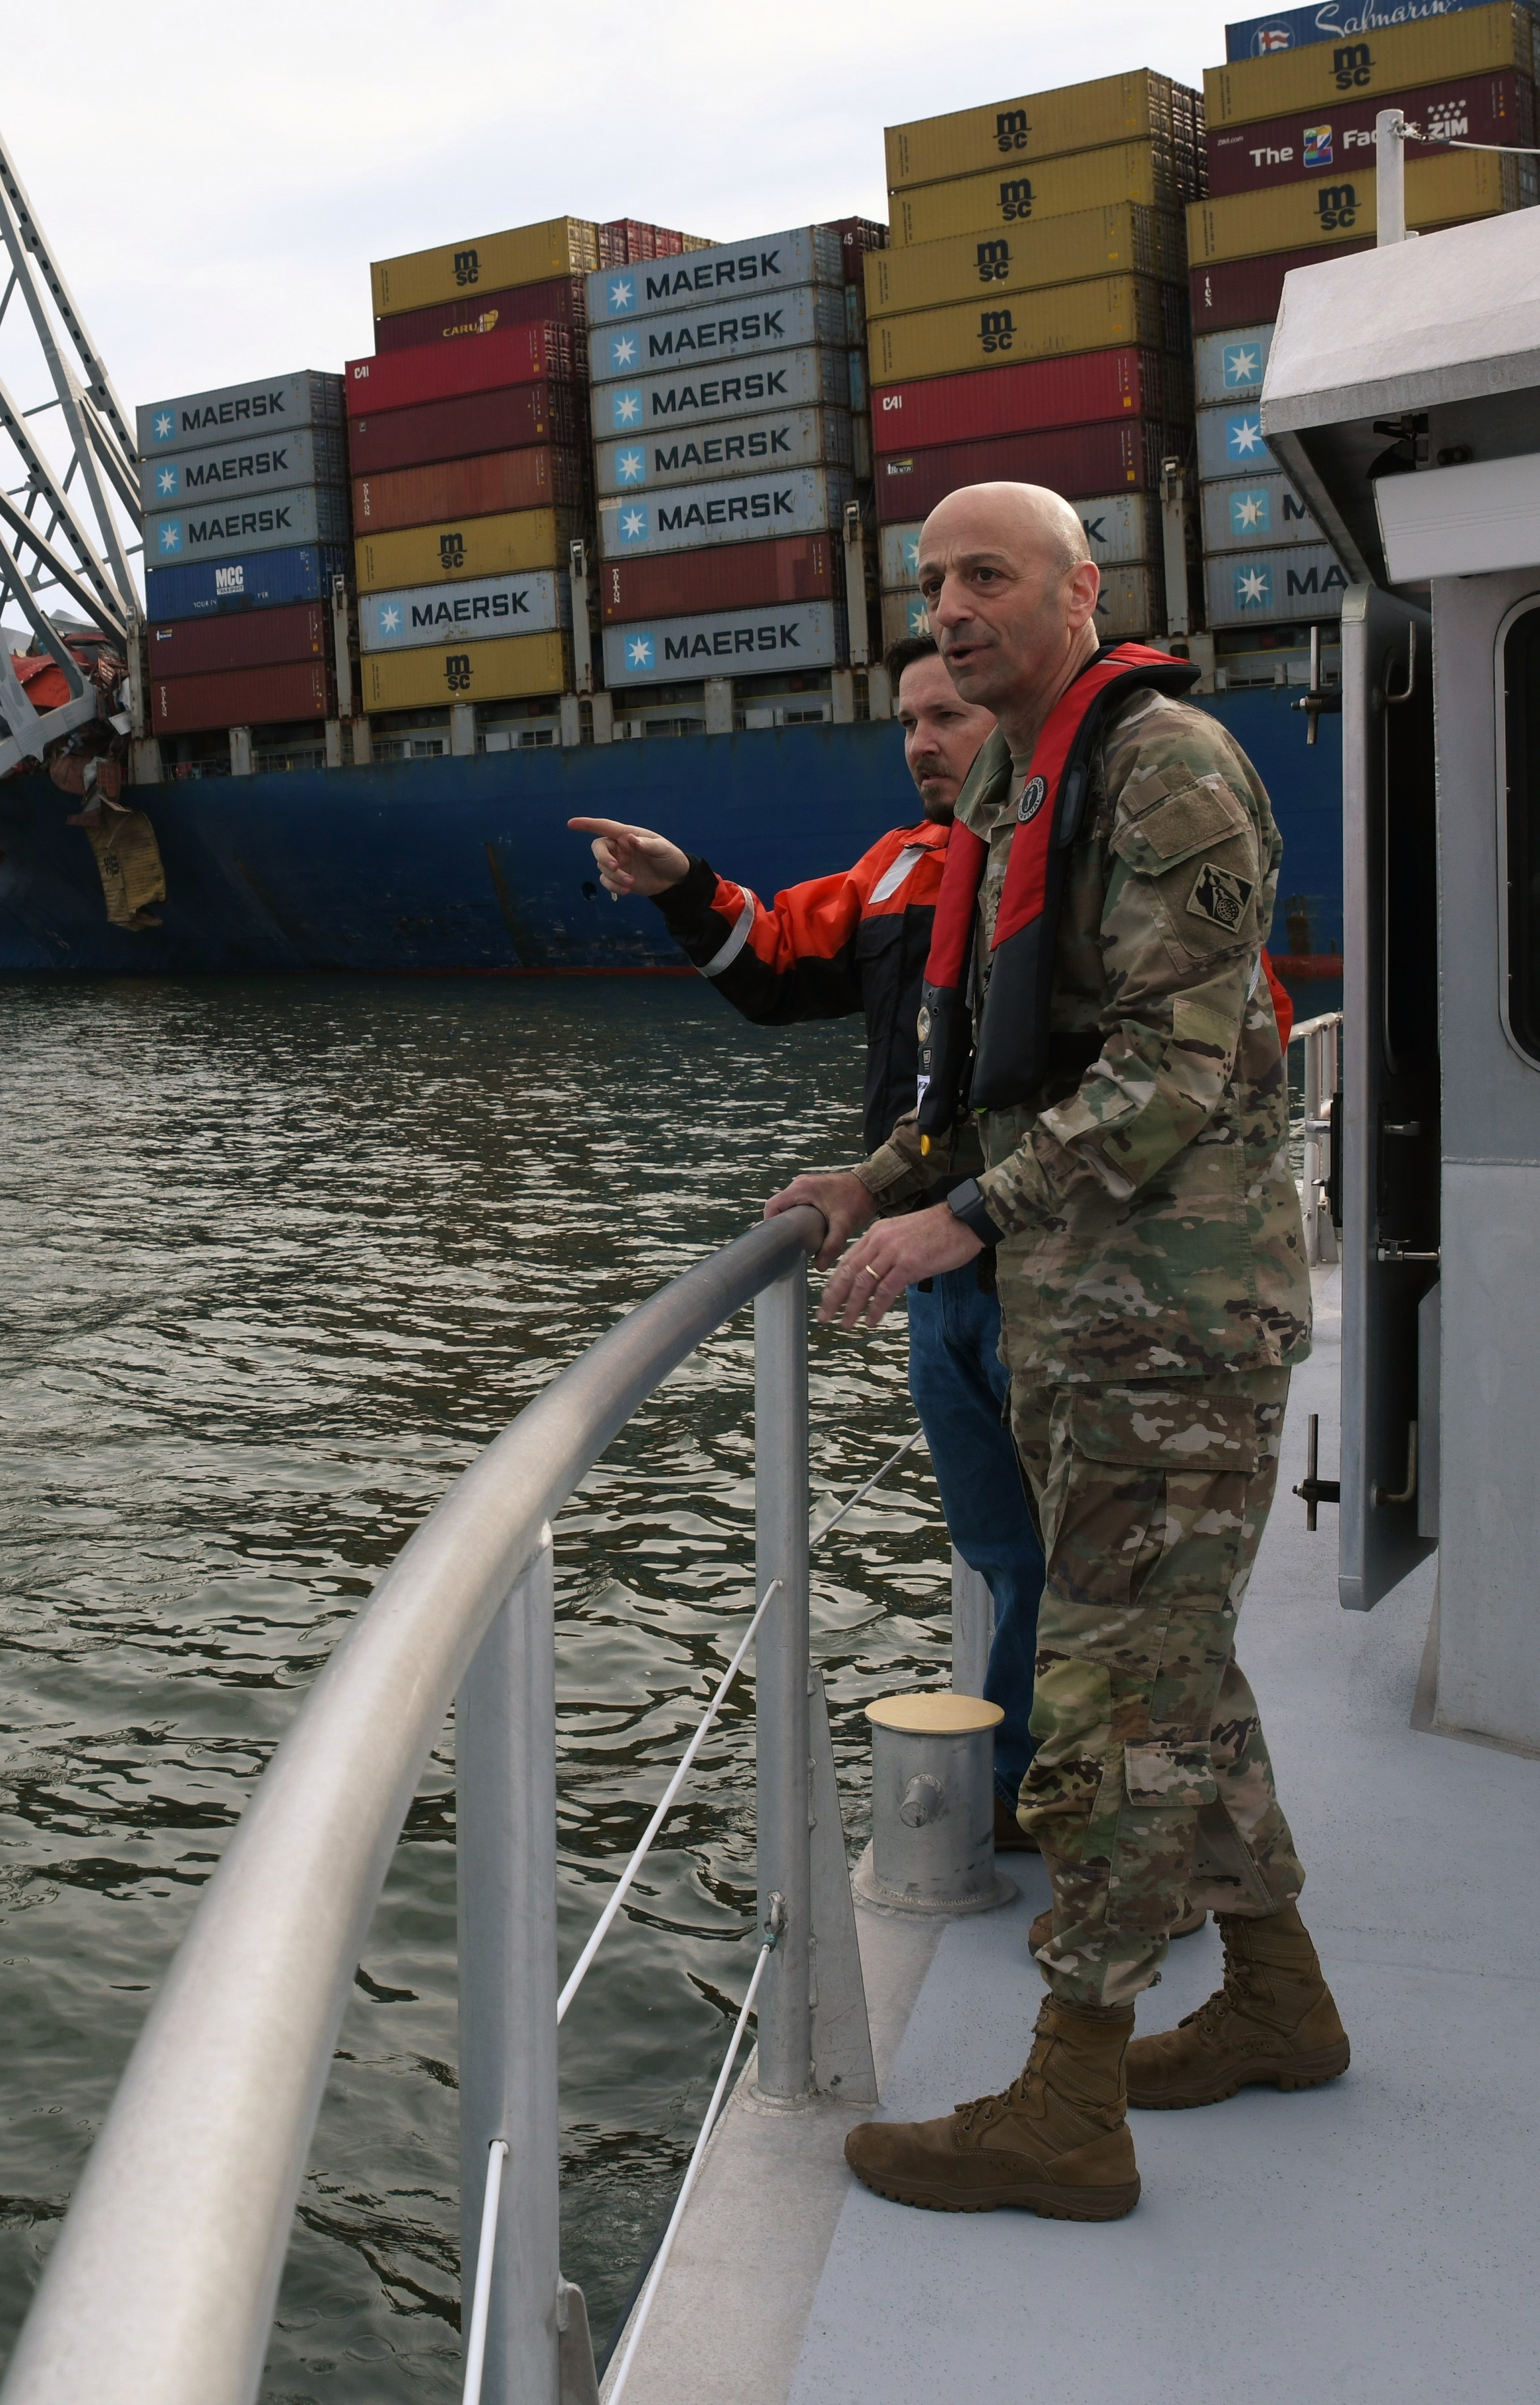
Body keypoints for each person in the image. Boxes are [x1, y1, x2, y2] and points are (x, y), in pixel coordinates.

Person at [782, 481, 1330, 2225]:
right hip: (1092, 1329)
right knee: (1184, 1676)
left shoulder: (1162, 767)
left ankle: (1070, 2104)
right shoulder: (1019, 779)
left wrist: (970, 1217)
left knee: (1099, 1704)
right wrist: (876, 1175)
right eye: (932, 580)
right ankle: (1277, 2008)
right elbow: (1002, 1060)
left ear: (1086, 591)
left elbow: (1174, 1064)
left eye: (987, 575)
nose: (948, 608)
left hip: (1176, 1323)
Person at [567, 638, 1045, 1842]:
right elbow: (775, 960)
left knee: (1081, 1559)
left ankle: (1050, 1801)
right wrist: (684, 884)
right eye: (908, 722)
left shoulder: (1075, 852)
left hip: (1058, 1263)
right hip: (935, 1275)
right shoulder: (897, 871)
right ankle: (1040, 1789)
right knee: (1001, 1549)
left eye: (949, 716)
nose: (923, 743)